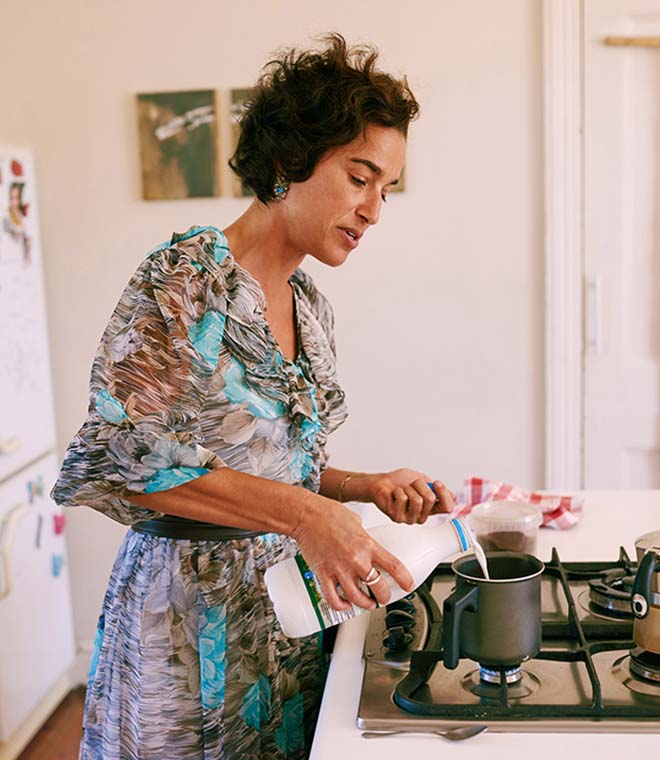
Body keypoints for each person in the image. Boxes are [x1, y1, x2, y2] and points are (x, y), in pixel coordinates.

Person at [52, 33, 456, 760]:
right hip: (185, 629)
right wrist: (307, 514)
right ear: (289, 160)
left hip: (287, 619)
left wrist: (360, 487)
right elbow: (117, 460)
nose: (373, 209)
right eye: (360, 177)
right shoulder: (184, 283)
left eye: (386, 189)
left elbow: (272, 462)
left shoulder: (311, 306)